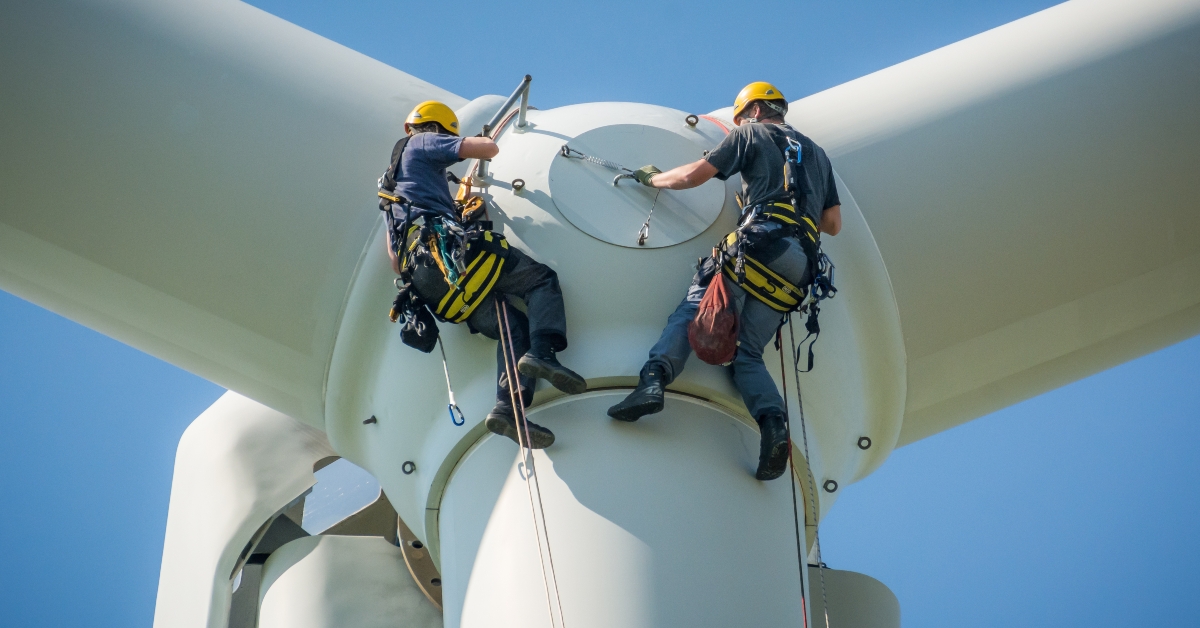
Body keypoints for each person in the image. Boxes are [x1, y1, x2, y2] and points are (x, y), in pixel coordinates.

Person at [606, 83, 842, 480]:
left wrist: (653, 180)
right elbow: (832, 224)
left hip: (759, 243)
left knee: (694, 310)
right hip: (799, 267)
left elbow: (693, 177)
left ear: (751, 111)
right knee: (747, 353)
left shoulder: (750, 133)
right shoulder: (817, 155)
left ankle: (653, 382)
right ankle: (773, 426)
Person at [380, 101, 586, 449]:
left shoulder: (389, 187)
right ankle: (543, 353)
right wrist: (473, 142)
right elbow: (487, 148)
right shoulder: (422, 143)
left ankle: (507, 409)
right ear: (438, 128)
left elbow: (394, 261)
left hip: (430, 281)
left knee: (511, 325)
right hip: (450, 255)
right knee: (539, 280)